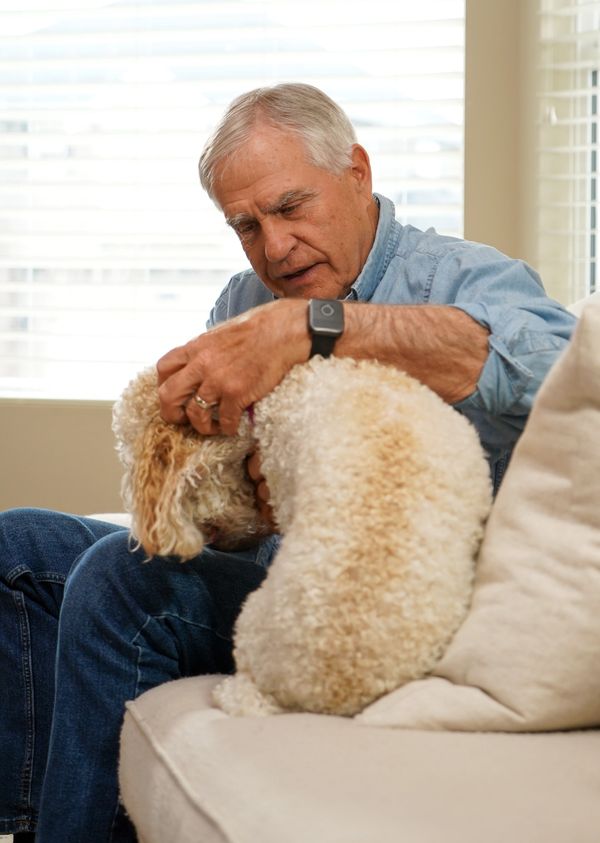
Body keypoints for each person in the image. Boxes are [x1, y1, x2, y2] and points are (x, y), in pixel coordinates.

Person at [0, 83, 576, 842]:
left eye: (291, 207)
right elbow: (226, 527)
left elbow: (560, 368)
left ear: (357, 173)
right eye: (246, 225)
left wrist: (311, 326)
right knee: (17, 545)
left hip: (396, 610)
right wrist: (236, 500)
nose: (274, 248)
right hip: (272, 585)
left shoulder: (463, 277)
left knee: (118, 577)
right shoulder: (243, 300)